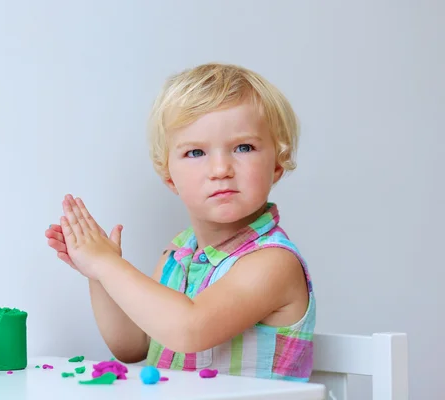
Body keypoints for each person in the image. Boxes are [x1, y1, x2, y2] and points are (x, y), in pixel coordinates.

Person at [45, 63, 315, 381]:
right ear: (169, 177)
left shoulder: (273, 262)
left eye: (244, 147)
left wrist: (108, 266)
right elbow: (132, 345)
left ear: (277, 166)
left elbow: (190, 330)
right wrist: (98, 273)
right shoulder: (177, 256)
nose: (220, 169)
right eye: (196, 152)